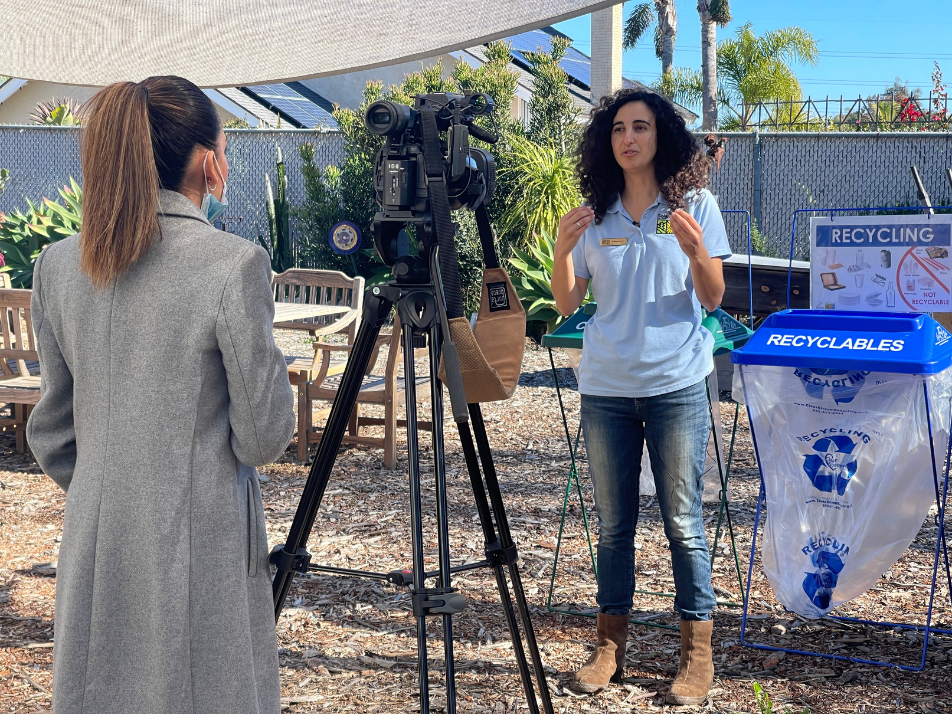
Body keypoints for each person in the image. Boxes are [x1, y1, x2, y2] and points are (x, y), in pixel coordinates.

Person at [26, 77, 295, 714]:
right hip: (201, 536)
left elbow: (52, 433)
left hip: (97, 534)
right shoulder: (233, 263)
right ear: (209, 160)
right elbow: (264, 436)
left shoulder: (58, 265)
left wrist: (108, 486)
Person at [551, 89, 730, 705]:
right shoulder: (595, 214)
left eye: (642, 127)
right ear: (608, 141)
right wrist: (560, 251)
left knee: (684, 523)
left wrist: (697, 251)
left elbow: (712, 297)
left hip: (676, 386)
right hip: (606, 389)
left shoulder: (695, 206)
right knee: (613, 527)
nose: (630, 138)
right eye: (619, 128)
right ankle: (610, 647)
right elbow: (569, 302)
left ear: (663, 137)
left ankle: (696, 654)